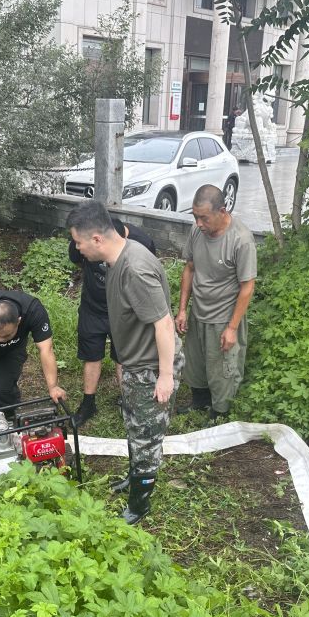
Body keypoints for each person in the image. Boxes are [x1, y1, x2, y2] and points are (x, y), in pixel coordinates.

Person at [67, 200, 184, 525]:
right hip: (136, 364)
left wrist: (164, 376)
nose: (76, 249)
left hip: (150, 367)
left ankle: (139, 504)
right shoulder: (118, 256)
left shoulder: (134, 269)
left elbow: (163, 323)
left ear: (96, 239)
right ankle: (134, 480)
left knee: (146, 438)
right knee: (134, 427)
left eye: (78, 241)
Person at [176, 184, 257, 421]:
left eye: (204, 218)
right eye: (195, 217)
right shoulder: (197, 231)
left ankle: (220, 413)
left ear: (222, 211)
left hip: (224, 317)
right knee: (197, 362)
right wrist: (182, 309)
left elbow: (247, 286)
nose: (199, 223)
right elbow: (189, 268)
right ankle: (199, 402)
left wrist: (232, 328)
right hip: (198, 311)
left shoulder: (241, 240)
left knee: (223, 369)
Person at [68, 216, 157, 427]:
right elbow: (77, 259)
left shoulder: (142, 242)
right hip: (93, 307)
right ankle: (88, 404)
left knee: (123, 357)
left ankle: (127, 401)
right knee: (91, 356)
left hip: (124, 309)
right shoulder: (85, 239)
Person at [0, 290, 66, 428]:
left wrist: (53, 386)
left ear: (19, 321)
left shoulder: (33, 310)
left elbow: (46, 350)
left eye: (6, 335)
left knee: (2, 387)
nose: (1, 340)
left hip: (13, 350)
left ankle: (8, 420)